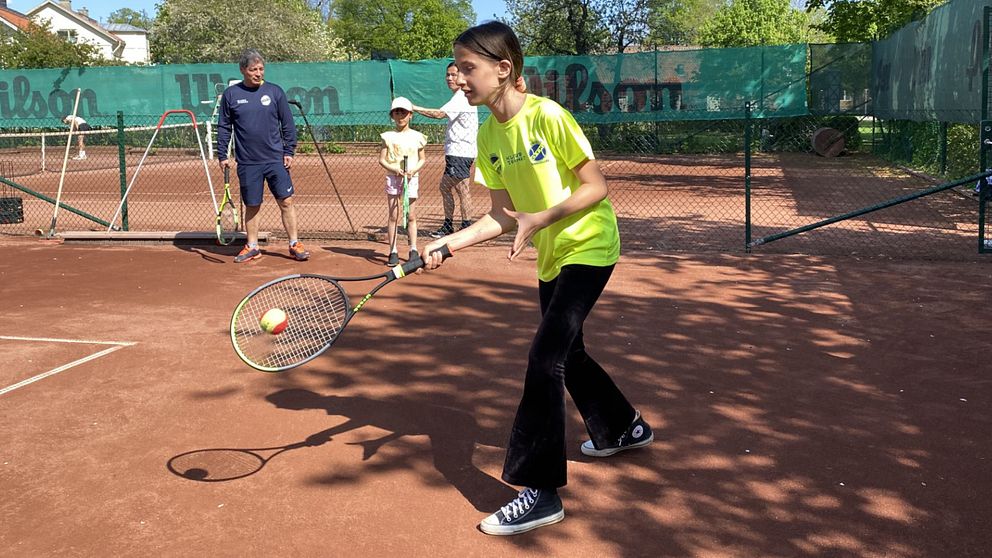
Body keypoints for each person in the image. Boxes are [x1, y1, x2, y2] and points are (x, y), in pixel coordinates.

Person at [421, 21, 653, 536]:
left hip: (590, 245)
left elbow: (596, 185)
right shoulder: (488, 134)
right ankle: (623, 426)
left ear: (504, 69)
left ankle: (540, 491)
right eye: (457, 68)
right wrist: (448, 242)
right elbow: (502, 214)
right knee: (568, 354)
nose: (459, 78)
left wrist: (541, 218)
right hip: (552, 254)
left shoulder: (547, 116)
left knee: (544, 358)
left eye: (468, 68)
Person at [217, 49, 309, 263]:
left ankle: (294, 243)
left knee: (286, 201)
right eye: (253, 70)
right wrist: (223, 154)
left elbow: (287, 124)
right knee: (252, 205)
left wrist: (289, 150)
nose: (258, 73)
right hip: (248, 162)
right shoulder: (231, 95)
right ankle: (252, 246)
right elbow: (224, 127)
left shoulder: (275, 92)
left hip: (275, 160)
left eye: (261, 69)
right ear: (243, 70)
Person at [410, 63, 478, 238]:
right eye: (447, 75)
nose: (449, 78)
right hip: (459, 152)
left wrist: (414, 108)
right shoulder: (461, 96)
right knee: (455, 188)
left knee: (458, 188)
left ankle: (460, 226)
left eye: (454, 75)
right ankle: (460, 225)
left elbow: (439, 114)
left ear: (462, 76)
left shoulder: (461, 96)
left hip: (460, 152)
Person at [379, 96, 427, 266]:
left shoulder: (418, 137)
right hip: (393, 178)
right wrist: (395, 170)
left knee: (411, 215)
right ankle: (393, 251)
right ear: (392, 116)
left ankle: (413, 249)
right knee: (394, 215)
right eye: (397, 113)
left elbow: (422, 159)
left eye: (403, 113)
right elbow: (382, 160)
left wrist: (413, 170)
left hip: (411, 178)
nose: (400, 116)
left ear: (410, 115)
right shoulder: (388, 137)